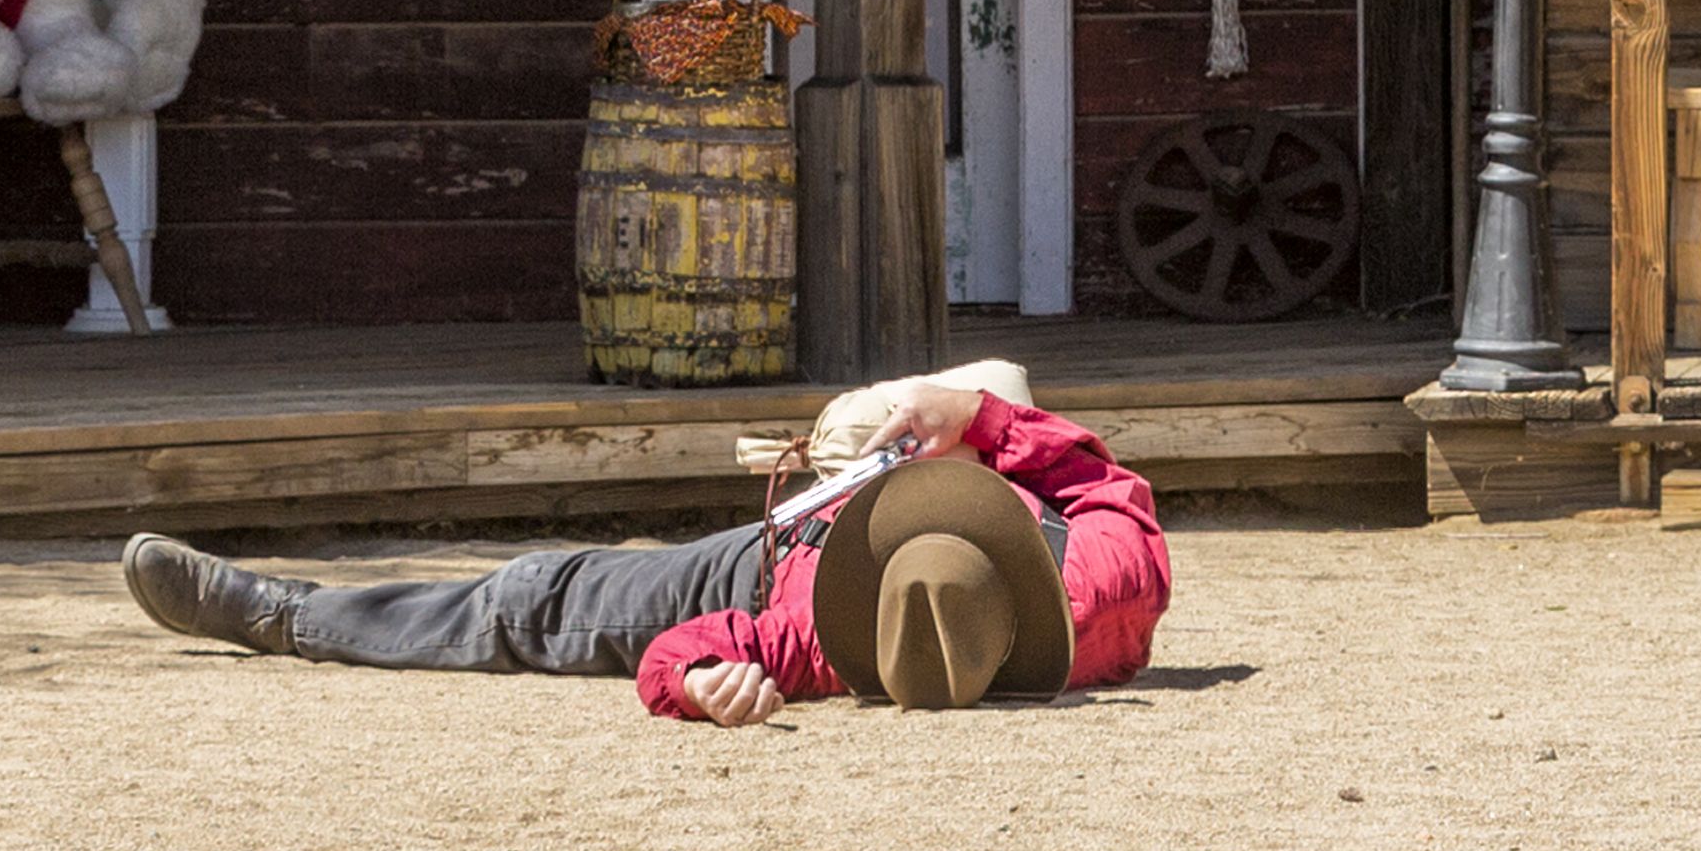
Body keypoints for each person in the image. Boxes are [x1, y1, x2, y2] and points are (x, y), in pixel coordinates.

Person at [112, 358, 1163, 720]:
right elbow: (1113, 489)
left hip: (771, 564)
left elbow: (683, 647)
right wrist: (971, 414)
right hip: (926, 458)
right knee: (921, 401)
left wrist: (700, 685)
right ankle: (934, 400)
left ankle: (291, 613)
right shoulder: (1096, 584)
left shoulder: (827, 643)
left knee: (536, 594)